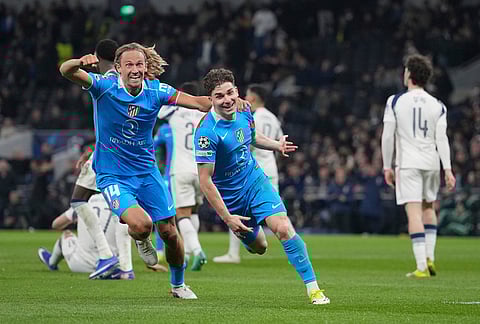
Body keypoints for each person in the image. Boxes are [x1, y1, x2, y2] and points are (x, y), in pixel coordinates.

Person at [59, 42, 245, 298]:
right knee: (142, 225)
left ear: (146, 67)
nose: (135, 69)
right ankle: (141, 237)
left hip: (147, 173)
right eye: (129, 65)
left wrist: (227, 101)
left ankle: (178, 285)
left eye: (139, 64)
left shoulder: (157, 91)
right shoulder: (104, 87)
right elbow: (65, 70)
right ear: (118, 68)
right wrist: (80, 62)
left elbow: (198, 102)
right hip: (112, 175)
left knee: (170, 232)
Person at [194, 68, 330, 305]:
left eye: (230, 92)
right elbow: (205, 180)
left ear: (236, 90)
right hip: (232, 200)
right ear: (211, 99)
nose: (227, 100)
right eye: (219, 96)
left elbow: (252, 137)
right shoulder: (206, 133)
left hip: (255, 182)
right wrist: (227, 218)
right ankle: (251, 238)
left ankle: (314, 289)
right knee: (260, 247)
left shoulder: (245, 111)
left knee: (284, 228)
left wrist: (277, 145)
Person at [381, 54, 456, 278]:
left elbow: (387, 136)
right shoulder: (438, 105)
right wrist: (448, 169)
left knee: (413, 212)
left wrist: (387, 166)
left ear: (410, 75)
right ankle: (430, 257)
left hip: (408, 163)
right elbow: (442, 139)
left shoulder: (395, 101)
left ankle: (422, 265)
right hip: (431, 163)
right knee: (428, 208)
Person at [68, 39, 122, 279]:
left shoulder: (103, 81)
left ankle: (106, 255)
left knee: (78, 200)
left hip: (106, 154)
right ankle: (127, 266)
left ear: (98, 58)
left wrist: (81, 62)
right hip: (130, 154)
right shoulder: (131, 81)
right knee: (128, 209)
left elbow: (66, 70)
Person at [213, 84, 283, 264]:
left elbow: (245, 140)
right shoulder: (273, 118)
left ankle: (233, 253)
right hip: (271, 167)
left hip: (251, 169)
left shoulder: (251, 115)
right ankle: (288, 243)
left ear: (252, 98)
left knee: (237, 210)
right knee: (274, 212)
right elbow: (277, 141)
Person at [156, 81, 207, 271]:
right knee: (193, 211)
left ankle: (197, 250)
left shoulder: (174, 111)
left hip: (181, 169)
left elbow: (159, 111)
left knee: (182, 214)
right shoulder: (203, 113)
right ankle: (185, 252)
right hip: (201, 169)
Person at [38, 194, 134, 279]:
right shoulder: (120, 202)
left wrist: (77, 217)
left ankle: (52, 262)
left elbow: (56, 224)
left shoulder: (84, 202)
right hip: (115, 265)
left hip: (81, 264)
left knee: (66, 234)